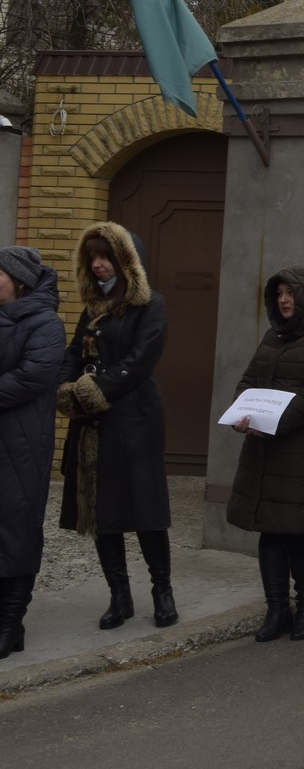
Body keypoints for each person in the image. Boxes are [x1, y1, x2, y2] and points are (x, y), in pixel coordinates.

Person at [57, 222, 173, 630]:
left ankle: (163, 593)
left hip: (136, 419)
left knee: (146, 509)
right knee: (102, 511)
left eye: (106, 257)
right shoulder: (92, 309)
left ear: (126, 262)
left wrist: (94, 390)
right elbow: (73, 354)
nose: (99, 265)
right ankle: (119, 598)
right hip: (95, 424)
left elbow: (141, 360)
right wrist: (67, 388)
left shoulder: (151, 304)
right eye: (93, 258)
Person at [226, 268, 304, 643]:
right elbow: (249, 381)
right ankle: (277, 609)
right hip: (265, 448)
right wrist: (242, 414)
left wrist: (273, 422)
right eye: (279, 293)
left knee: (299, 532)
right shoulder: (272, 336)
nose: (284, 300)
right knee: (269, 530)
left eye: (291, 293)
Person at [0, 247, 66, 657]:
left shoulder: (46, 323)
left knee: (17, 528)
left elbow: (32, 377)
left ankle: (11, 625)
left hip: (22, 443)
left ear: (18, 280)